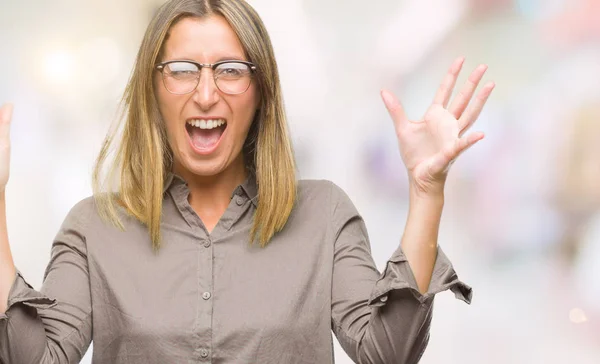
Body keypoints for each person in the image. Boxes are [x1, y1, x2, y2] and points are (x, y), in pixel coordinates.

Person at [0, 0, 494, 363]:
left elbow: (387, 355)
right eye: (182, 70)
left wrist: (426, 192)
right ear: (154, 90)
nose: (207, 93)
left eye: (231, 70)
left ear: (260, 92)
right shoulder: (94, 227)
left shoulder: (324, 213)